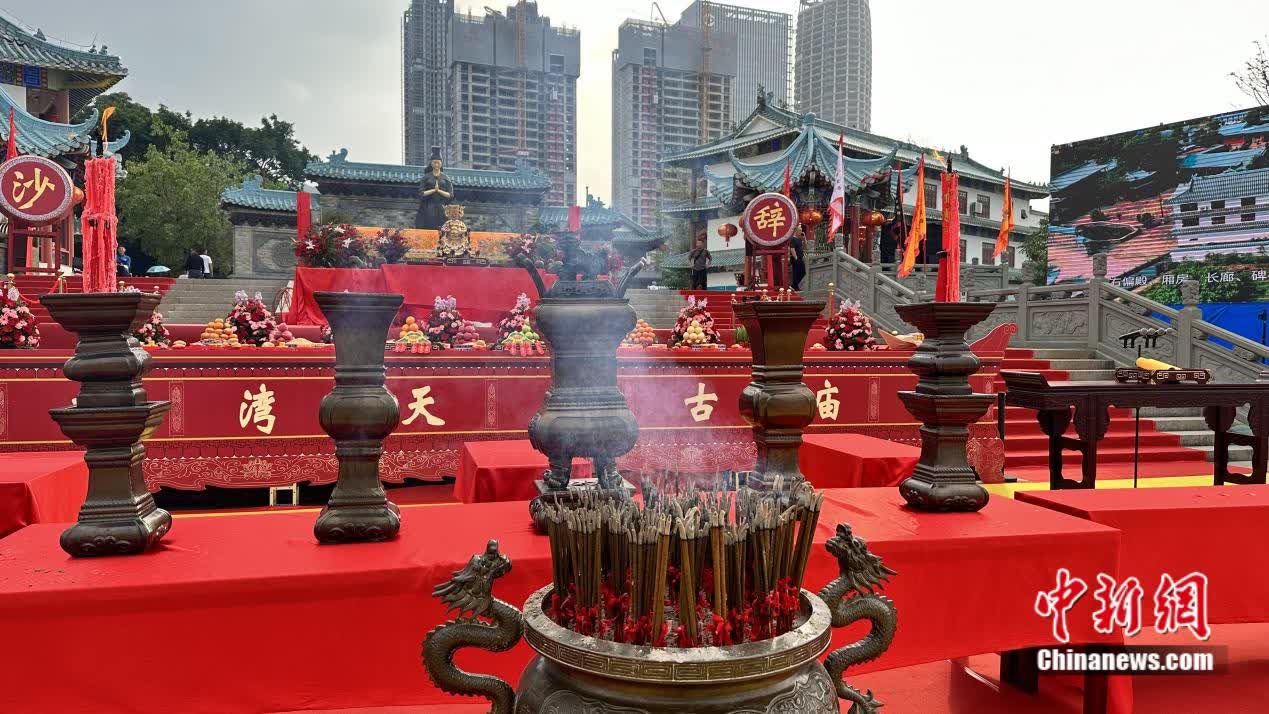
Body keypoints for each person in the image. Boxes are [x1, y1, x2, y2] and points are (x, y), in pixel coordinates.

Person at [414, 146, 453, 230]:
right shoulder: (426, 177)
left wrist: (439, 191)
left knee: (442, 227)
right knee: (429, 225)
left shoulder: (446, 178)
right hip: (429, 206)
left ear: (441, 163)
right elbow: (421, 193)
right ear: (431, 163)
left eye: (438, 162)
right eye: (434, 162)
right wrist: (433, 190)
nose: (436, 164)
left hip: (442, 207)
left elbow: (450, 195)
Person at [789, 226, 807, 291]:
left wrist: (804, 238)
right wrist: (795, 257)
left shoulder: (799, 239)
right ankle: (795, 286)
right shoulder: (793, 239)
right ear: (796, 231)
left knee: (802, 272)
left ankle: (796, 285)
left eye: (801, 230)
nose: (801, 232)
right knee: (796, 272)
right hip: (795, 258)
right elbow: (792, 249)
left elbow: (805, 246)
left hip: (800, 258)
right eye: (800, 230)